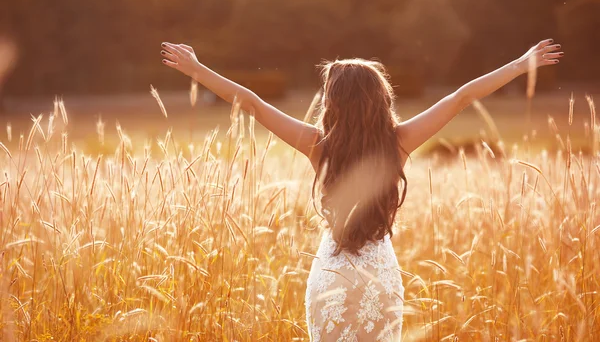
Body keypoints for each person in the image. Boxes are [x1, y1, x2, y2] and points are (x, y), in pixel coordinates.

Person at [160, 39, 563, 341]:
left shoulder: (317, 145)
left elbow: (251, 103)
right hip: (378, 273)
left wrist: (197, 70)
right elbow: (461, 98)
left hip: (330, 272)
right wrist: (520, 64)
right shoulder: (398, 142)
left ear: (333, 104)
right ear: (379, 100)